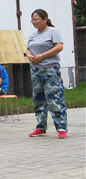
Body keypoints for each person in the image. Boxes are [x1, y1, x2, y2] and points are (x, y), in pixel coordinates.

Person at [26, 9, 68, 139]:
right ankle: (40, 126)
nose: (34, 22)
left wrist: (42, 56)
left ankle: (61, 127)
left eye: (36, 19)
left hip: (50, 70)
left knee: (55, 97)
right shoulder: (33, 35)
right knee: (38, 98)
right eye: (32, 20)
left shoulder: (53, 31)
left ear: (45, 19)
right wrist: (29, 56)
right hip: (35, 70)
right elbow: (27, 48)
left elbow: (59, 47)